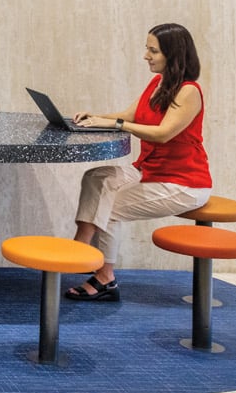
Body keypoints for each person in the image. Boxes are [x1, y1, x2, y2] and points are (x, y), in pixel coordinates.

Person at [65, 22, 213, 300]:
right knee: (98, 176)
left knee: (109, 207)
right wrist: (93, 118)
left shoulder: (189, 91)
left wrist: (118, 124)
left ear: (174, 54)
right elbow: (129, 115)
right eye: (148, 49)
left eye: (153, 50)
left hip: (184, 184)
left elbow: (164, 134)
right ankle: (82, 241)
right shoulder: (158, 83)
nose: (146, 55)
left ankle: (103, 277)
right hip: (150, 171)